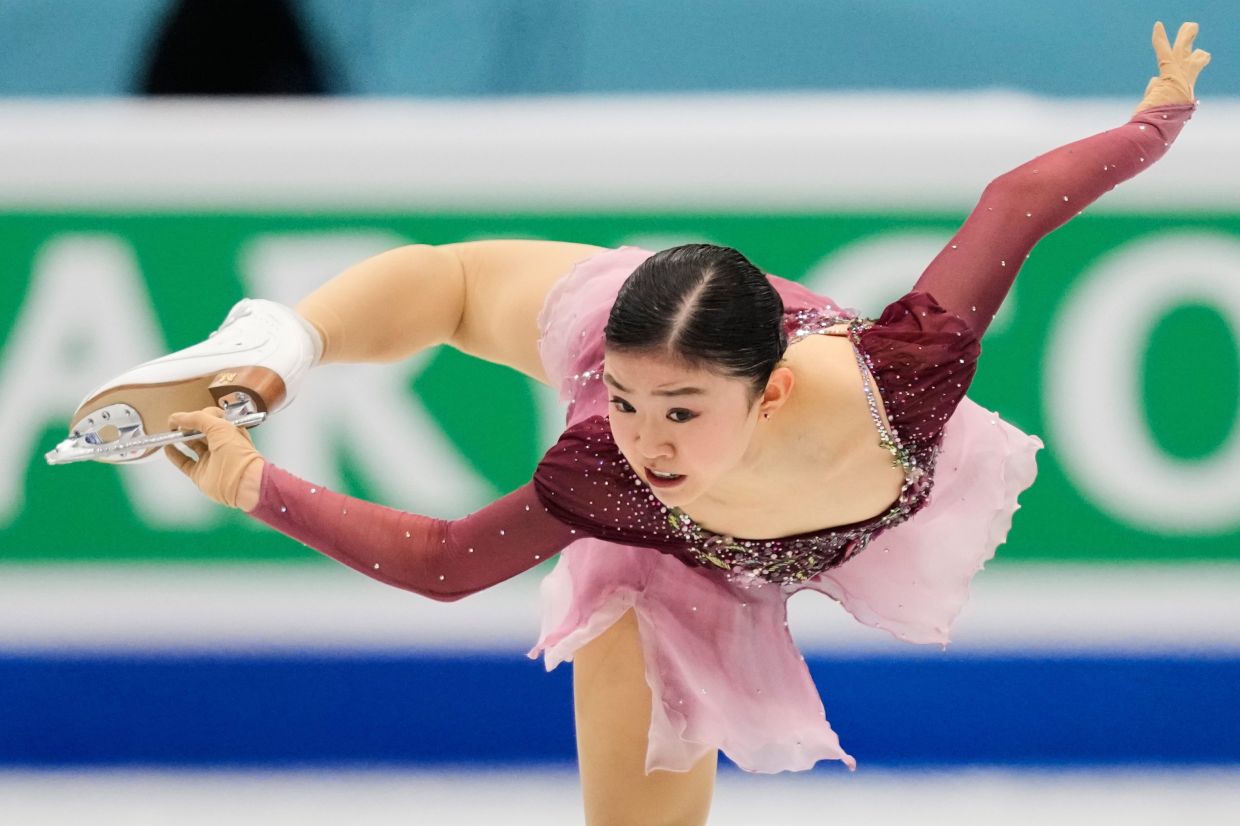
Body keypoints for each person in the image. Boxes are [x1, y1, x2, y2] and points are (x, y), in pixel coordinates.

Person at [70, 21, 1209, 826]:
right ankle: (279, 342)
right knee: (457, 285)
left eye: (673, 414)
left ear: (768, 396)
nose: (643, 437)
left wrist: (1157, 122)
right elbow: (447, 562)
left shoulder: (901, 379)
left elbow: (1017, 203)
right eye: (619, 402)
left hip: (748, 347)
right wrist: (247, 480)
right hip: (667, 463)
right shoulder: (612, 465)